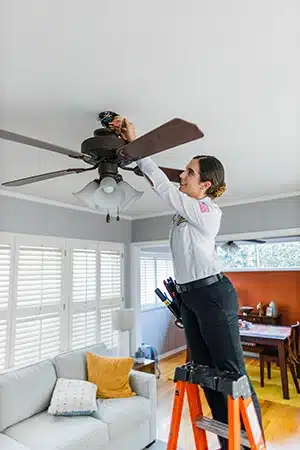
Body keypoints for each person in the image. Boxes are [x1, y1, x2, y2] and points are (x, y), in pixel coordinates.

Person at [110, 117, 264, 450]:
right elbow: (163, 188)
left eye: (189, 172)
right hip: (189, 296)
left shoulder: (208, 211)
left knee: (232, 371)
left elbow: (165, 189)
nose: (182, 175)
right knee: (206, 372)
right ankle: (227, 440)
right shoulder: (185, 215)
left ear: (206, 184)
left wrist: (141, 152)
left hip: (213, 295)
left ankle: (252, 442)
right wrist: (134, 160)